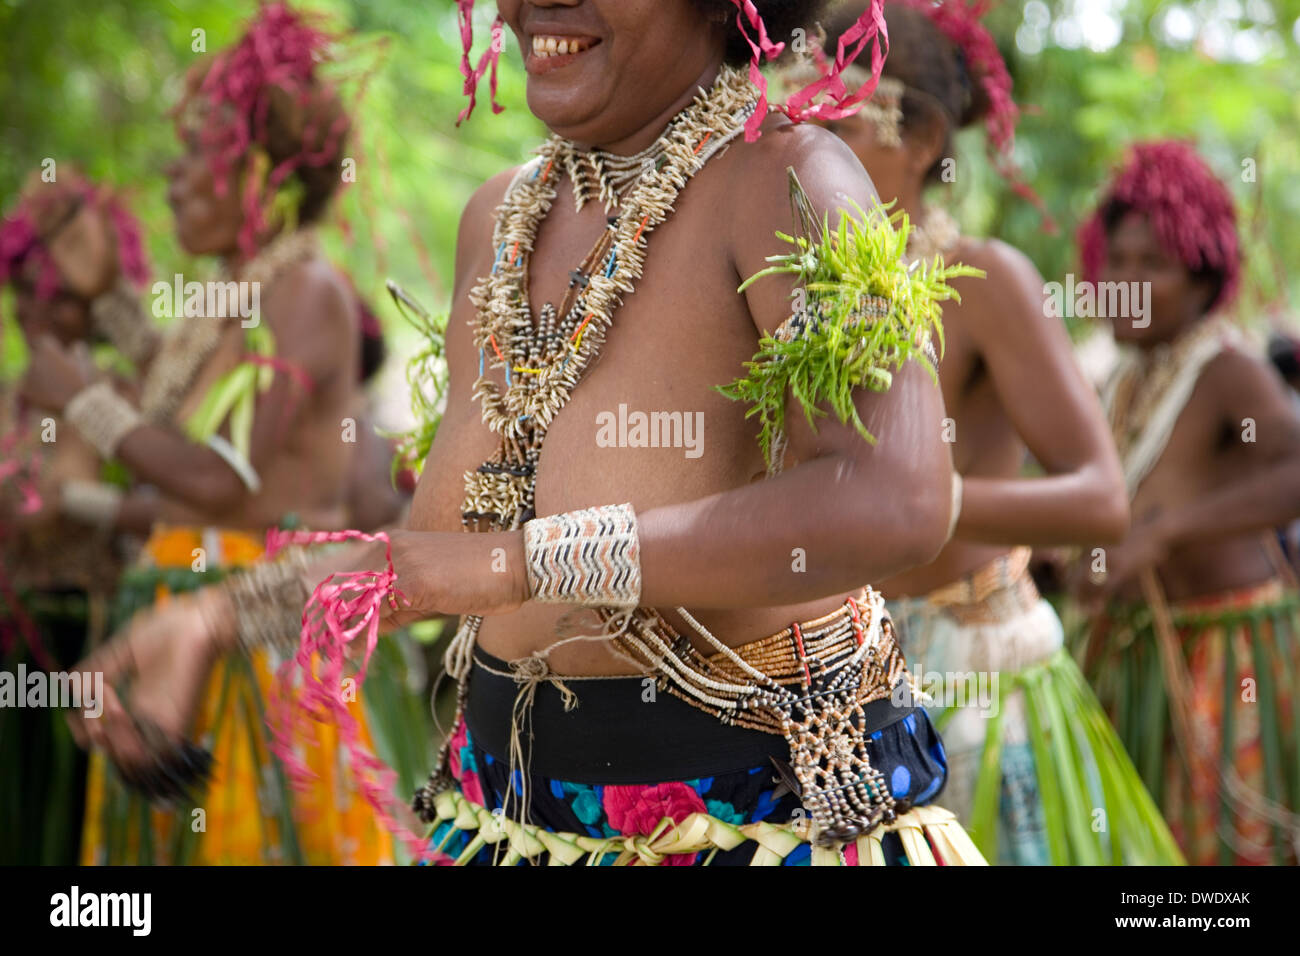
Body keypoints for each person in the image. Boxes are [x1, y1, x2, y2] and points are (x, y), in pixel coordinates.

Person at [66, 0, 990, 867]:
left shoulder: (791, 176)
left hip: (770, 822)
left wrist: (524, 565)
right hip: (511, 819)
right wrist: (214, 616)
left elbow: (896, 498)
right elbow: (442, 553)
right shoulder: (502, 219)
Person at [792, 1, 1181, 865]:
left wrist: (927, 503)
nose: (800, 152)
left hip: (978, 671)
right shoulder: (783, 292)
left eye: (834, 121)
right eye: (788, 119)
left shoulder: (978, 282)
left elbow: (1101, 498)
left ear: (922, 137)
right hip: (841, 675)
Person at [19, 3, 400, 865]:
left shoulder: (302, 287)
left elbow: (221, 480)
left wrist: (85, 403)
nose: (173, 176)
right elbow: (174, 423)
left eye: (196, 154)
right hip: (175, 636)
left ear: (259, 174)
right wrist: (110, 294)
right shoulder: (237, 295)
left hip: (249, 643)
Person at [1074, 140, 1300, 865]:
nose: (1127, 284)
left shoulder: (1228, 370)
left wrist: (1167, 534)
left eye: (1154, 266)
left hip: (1229, 663)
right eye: (1119, 263)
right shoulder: (1120, 379)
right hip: (1136, 659)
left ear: (1204, 281)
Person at [0, 169, 155, 864]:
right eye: (27, 295)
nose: (40, 313)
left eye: (59, 298)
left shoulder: (127, 399)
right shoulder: (8, 400)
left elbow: (179, 506)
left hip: (98, 636)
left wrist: (80, 502)